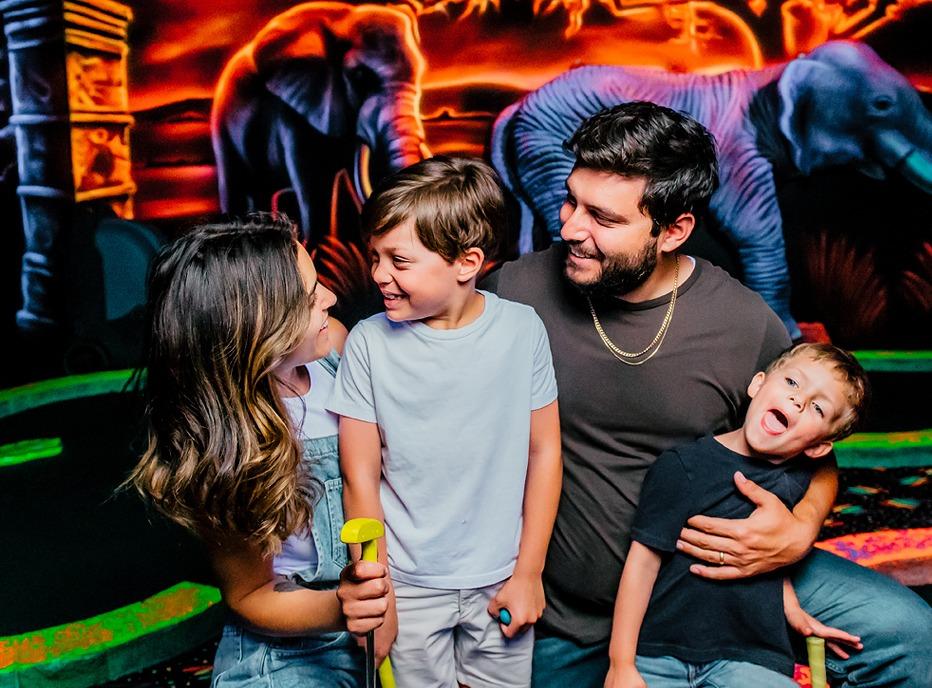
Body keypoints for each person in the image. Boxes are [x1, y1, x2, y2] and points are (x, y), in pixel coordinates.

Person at [482, 101, 932, 687]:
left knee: (910, 633)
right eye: (571, 201)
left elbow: (816, 455)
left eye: (603, 218)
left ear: (674, 230)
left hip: (716, 587)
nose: (569, 228)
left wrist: (797, 532)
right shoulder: (511, 294)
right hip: (569, 612)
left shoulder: (744, 324)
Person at [328, 156, 562, 687]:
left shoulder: (522, 331)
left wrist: (529, 573)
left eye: (399, 260)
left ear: (466, 262)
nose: (379, 274)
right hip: (406, 585)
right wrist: (379, 594)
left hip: (501, 578)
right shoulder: (367, 342)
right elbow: (358, 477)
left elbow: (545, 453)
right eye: (375, 256)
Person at [129, 215, 390, 687]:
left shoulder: (337, 352)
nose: (330, 298)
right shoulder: (232, 448)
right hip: (292, 646)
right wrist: (342, 607)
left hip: (378, 624)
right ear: (258, 331)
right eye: (311, 298)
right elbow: (252, 594)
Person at [605, 343, 870, 688]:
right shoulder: (682, 467)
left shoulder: (796, 483)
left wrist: (791, 609)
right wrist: (621, 663)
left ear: (817, 447)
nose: (798, 401)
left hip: (750, 658)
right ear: (758, 384)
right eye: (792, 383)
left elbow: (773, 559)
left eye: (818, 408)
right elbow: (641, 565)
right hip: (660, 653)